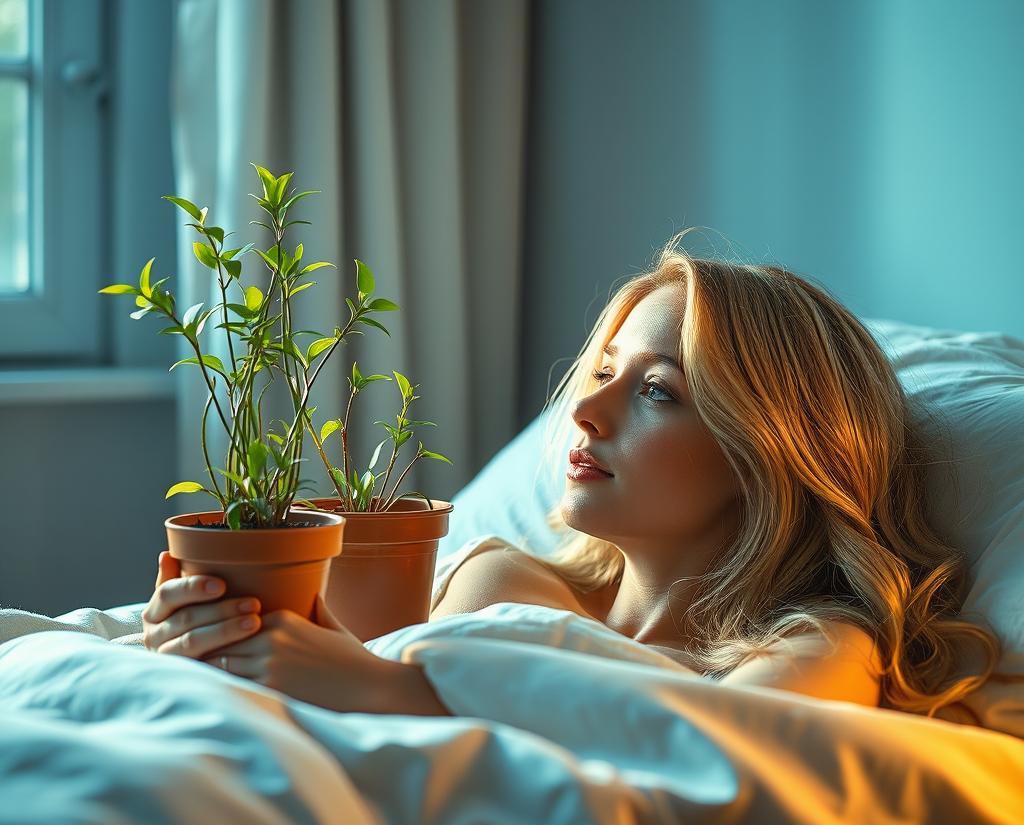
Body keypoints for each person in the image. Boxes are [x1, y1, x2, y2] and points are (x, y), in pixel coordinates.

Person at [143, 230, 1001, 717]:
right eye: (602, 374)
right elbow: (353, 691)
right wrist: (228, 643)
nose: (585, 414)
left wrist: (384, 692)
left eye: (658, 390)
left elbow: (732, 757)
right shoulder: (499, 574)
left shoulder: (814, 644)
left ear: (765, 453)